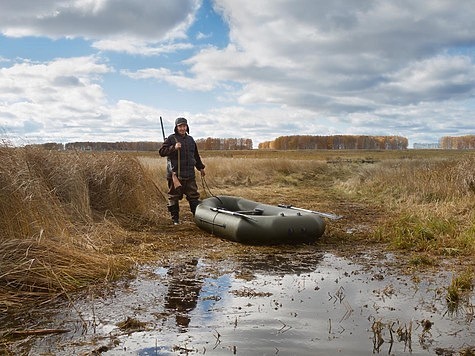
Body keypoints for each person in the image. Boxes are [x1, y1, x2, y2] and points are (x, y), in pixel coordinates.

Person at [159, 117, 205, 225]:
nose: (182, 128)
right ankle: (175, 220)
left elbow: (196, 155)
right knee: (173, 197)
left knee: (193, 196)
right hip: (175, 175)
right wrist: (173, 147)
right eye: (180, 126)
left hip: (189, 174)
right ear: (176, 127)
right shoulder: (171, 139)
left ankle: (197, 218)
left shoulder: (191, 140)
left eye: (184, 126)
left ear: (187, 127)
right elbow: (161, 152)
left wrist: (201, 167)